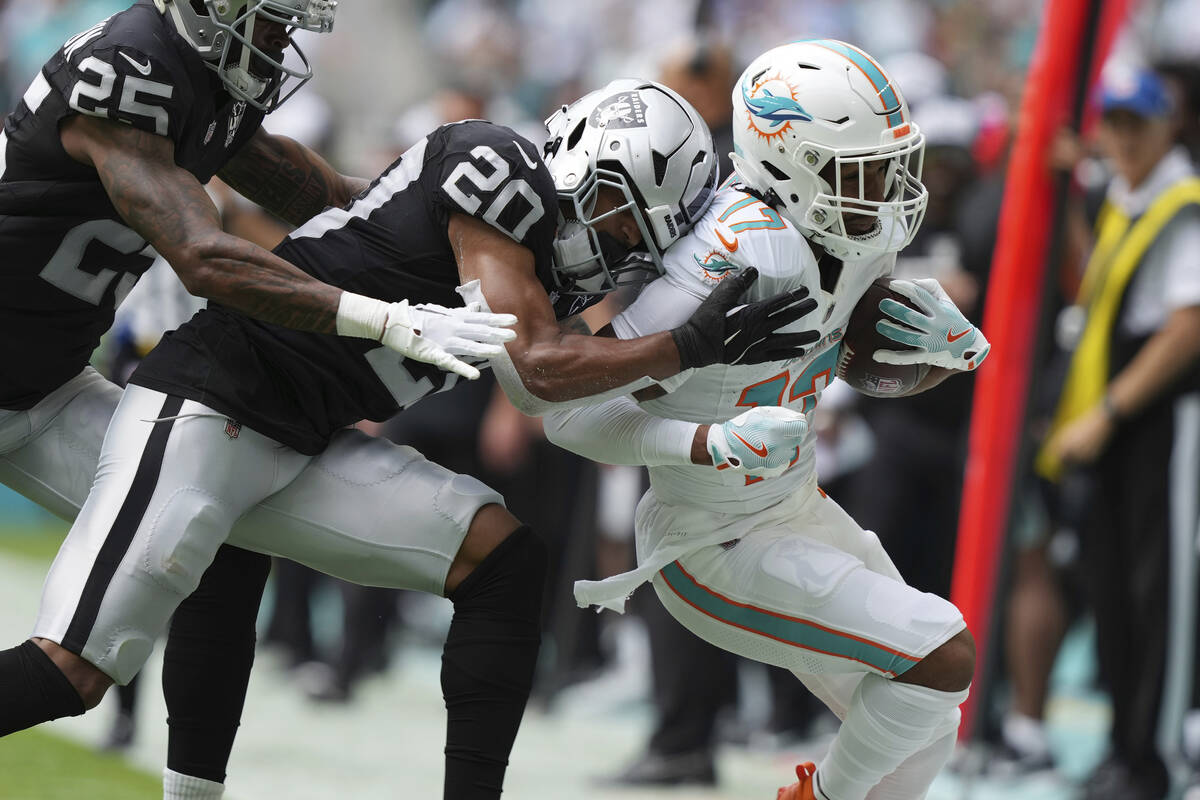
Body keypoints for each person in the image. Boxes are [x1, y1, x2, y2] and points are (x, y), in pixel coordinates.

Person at [0, 76, 820, 800]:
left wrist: (755, 349)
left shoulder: (551, 252)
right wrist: (689, 345)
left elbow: (552, 385)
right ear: (579, 156)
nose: (622, 241)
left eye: (640, 233)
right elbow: (536, 365)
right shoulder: (500, 166)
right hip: (213, 404)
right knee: (73, 669)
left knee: (502, 560)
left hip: (305, 440)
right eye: (616, 211)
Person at [0, 2, 520, 797]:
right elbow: (207, 257)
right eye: (272, 19)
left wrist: (454, 227)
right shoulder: (131, 69)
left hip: (42, 386)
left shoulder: (203, 77)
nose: (284, 39)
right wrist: (384, 316)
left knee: (219, 518)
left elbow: (327, 196)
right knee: (73, 667)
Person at [543, 40, 987, 800]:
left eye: (887, 165)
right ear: (789, 162)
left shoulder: (852, 230)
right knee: (941, 652)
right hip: (710, 541)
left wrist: (940, 355)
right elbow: (566, 413)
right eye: (862, 170)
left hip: (795, 505)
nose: (885, 188)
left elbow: (826, 367)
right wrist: (703, 443)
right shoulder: (738, 246)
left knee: (920, 734)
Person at [1037, 64, 1200, 800]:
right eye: (1115, 122)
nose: (1123, 137)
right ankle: (1122, 751)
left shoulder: (1182, 203)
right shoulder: (1128, 199)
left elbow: (1186, 329)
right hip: (1116, 423)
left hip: (1158, 419)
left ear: (1171, 124)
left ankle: (1151, 758)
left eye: (1137, 122)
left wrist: (1108, 413)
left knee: (1155, 590)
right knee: (1112, 588)